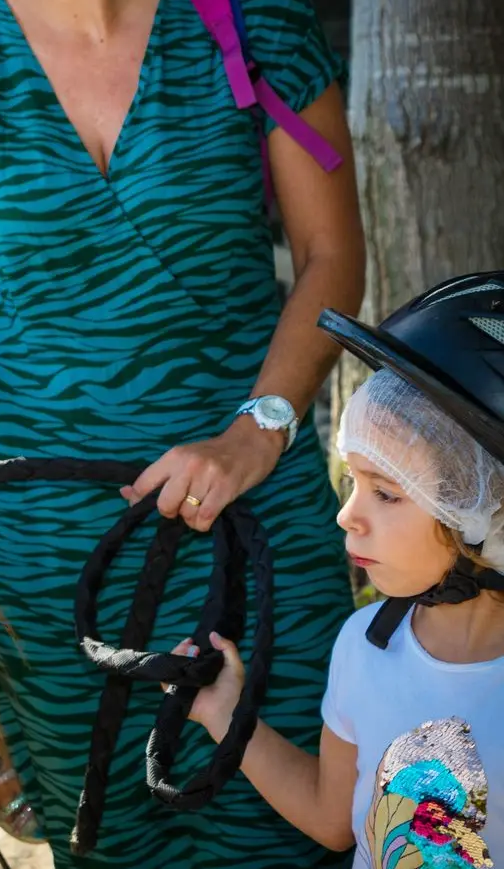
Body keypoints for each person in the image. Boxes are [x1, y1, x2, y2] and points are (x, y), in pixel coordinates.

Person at [0, 0, 366, 865]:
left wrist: (254, 432)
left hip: (252, 534)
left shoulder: (252, 12)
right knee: (107, 844)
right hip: (46, 571)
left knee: (297, 830)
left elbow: (332, 255)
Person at [181, 273, 504, 869]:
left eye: (386, 494)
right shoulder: (364, 646)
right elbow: (335, 821)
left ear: (489, 511)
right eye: (353, 481)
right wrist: (223, 711)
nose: (346, 516)